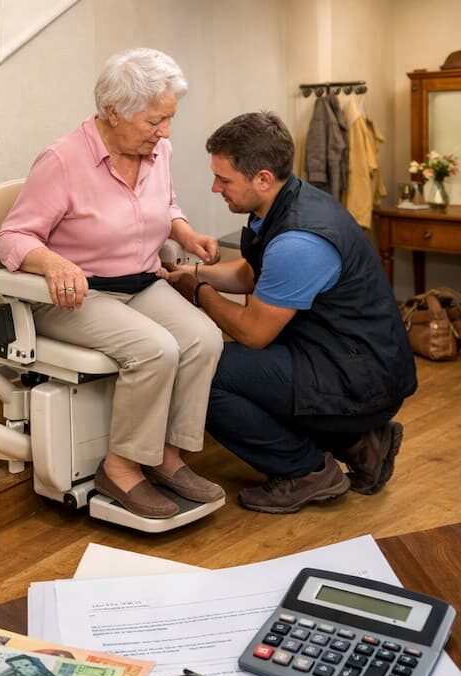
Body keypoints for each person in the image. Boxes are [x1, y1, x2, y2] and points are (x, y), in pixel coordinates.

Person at [0, 48, 224, 520]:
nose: (164, 132)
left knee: (204, 338)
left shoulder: (159, 151)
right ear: (113, 111)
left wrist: (185, 232)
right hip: (78, 295)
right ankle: (118, 469)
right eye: (154, 121)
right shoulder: (61, 161)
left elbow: (166, 205)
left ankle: (166, 456)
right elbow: (12, 236)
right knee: (156, 348)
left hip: (139, 282)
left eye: (168, 119)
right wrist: (52, 263)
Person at [164, 111, 416, 514]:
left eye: (224, 180)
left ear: (262, 178)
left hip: (358, 381)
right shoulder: (287, 201)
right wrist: (190, 272)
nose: (215, 188)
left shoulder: (299, 240)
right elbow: (253, 272)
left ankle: (306, 471)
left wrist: (201, 292)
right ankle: (361, 442)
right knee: (233, 367)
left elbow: (252, 332)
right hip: (353, 361)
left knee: (200, 373)